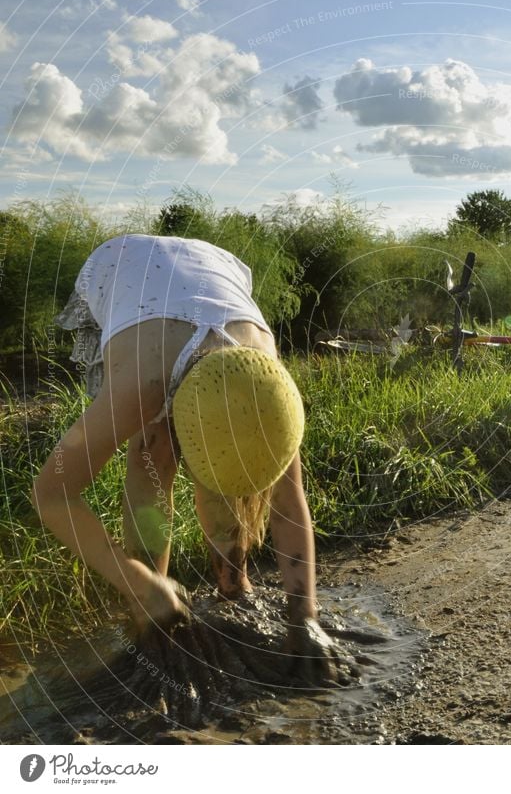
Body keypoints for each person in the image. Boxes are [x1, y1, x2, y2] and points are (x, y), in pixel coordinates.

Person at [31, 233, 340, 681]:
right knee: (150, 453)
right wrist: (136, 581)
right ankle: (149, 604)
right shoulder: (140, 386)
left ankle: (233, 582)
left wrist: (305, 617)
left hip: (218, 275)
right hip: (130, 274)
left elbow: (288, 504)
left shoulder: (274, 395)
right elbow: (52, 494)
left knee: (231, 456)